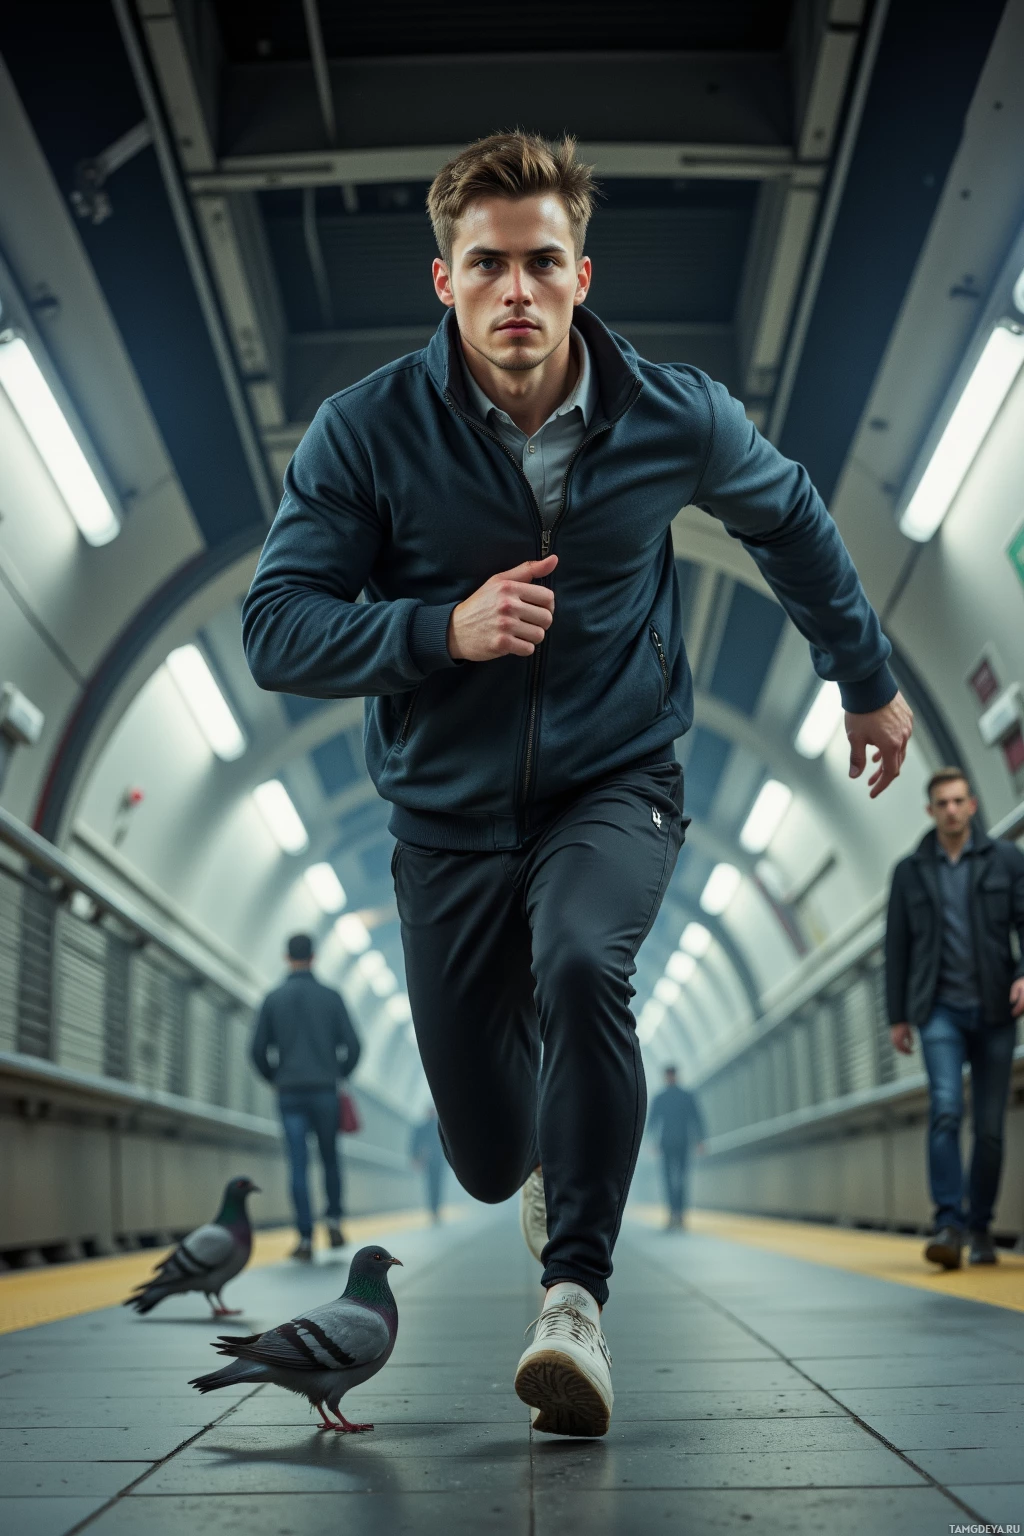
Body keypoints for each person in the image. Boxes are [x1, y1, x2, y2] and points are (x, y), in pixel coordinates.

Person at [242, 131, 913, 1436]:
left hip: (618, 777)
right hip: (441, 822)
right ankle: (541, 1158)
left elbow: (791, 519)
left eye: (542, 263)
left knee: (580, 962)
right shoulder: (366, 433)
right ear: (443, 280)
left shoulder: (676, 414)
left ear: (582, 274)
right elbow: (278, 627)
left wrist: (869, 676)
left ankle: (575, 1303)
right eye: (485, 264)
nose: (516, 292)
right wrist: (440, 628)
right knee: (489, 1157)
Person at [886, 768, 1024, 1271]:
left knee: (988, 1128)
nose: (950, 809)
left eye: (958, 801)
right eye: (941, 802)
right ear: (930, 810)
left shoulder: (1007, 861)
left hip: (995, 1009)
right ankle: (948, 1221)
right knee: (946, 1108)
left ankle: (981, 1226)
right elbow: (896, 945)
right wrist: (897, 1015)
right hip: (938, 1009)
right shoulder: (910, 871)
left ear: (971, 806)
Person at [251, 933, 362, 1260]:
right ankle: (334, 1220)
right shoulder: (331, 997)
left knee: (298, 1163)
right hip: (325, 1091)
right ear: (314, 957)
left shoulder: (273, 999)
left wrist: (275, 1077)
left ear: (287, 957)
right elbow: (354, 1046)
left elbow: (257, 1050)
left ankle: (303, 1237)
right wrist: (339, 1073)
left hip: (290, 1093)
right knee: (330, 1158)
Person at [647, 1066, 706, 1229]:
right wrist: (651, 1142)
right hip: (674, 1143)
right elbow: (652, 1123)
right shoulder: (684, 1096)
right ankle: (674, 1213)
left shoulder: (662, 1097)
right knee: (672, 1179)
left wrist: (700, 1140)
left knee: (678, 1180)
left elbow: (696, 1118)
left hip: (676, 1143)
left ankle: (678, 1213)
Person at [409, 1104, 446, 1223]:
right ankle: (433, 1209)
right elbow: (415, 1144)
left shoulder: (437, 1126)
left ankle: (435, 1208)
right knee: (431, 1185)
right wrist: (415, 1158)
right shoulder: (434, 1127)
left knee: (436, 1185)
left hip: (438, 1161)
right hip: (430, 1161)